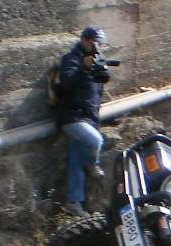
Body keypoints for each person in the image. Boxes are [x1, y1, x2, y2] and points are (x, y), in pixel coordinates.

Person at [58, 26, 109, 218]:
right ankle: (92, 163)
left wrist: (98, 67)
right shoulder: (71, 60)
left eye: (101, 44)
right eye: (96, 43)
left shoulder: (97, 60)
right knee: (96, 141)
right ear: (86, 40)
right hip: (71, 117)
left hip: (89, 117)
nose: (99, 47)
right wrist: (83, 67)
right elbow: (67, 84)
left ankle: (74, 202)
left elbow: (98, 92)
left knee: (75, 162)